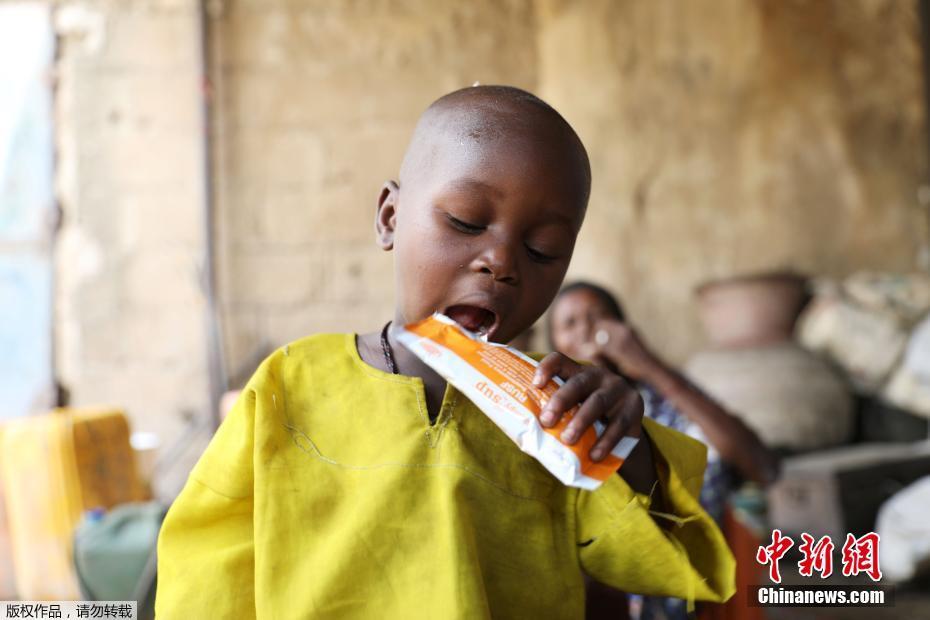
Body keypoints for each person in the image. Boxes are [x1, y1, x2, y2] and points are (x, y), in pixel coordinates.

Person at [155, 86, 735, 619]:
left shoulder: (554, 415)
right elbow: (206, 578)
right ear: (390, 217)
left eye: (543, 250)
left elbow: (670, 565)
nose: (501, 263)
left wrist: (623, 444)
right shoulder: (291, 385)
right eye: (465, 221)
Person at [549, 281, 780, 620]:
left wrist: (647, 362)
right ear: (553, 346)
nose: (585, 329)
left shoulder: (659, 398)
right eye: (569, 323)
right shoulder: (552, 414)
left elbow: (761, 467)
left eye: (597, 317)